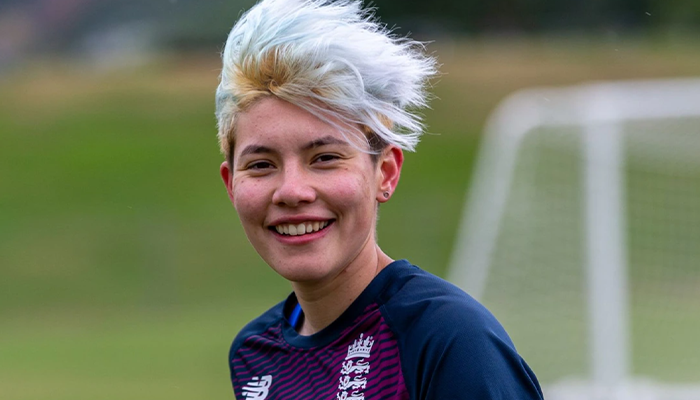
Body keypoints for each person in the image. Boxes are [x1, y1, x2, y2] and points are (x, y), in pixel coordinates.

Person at [215, 0, 544, 399]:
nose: (292, 191)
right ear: (232, 185)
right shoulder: (254, 354)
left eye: (325, 158)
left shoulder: (446, 339)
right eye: (262, 165)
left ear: (384, 173)